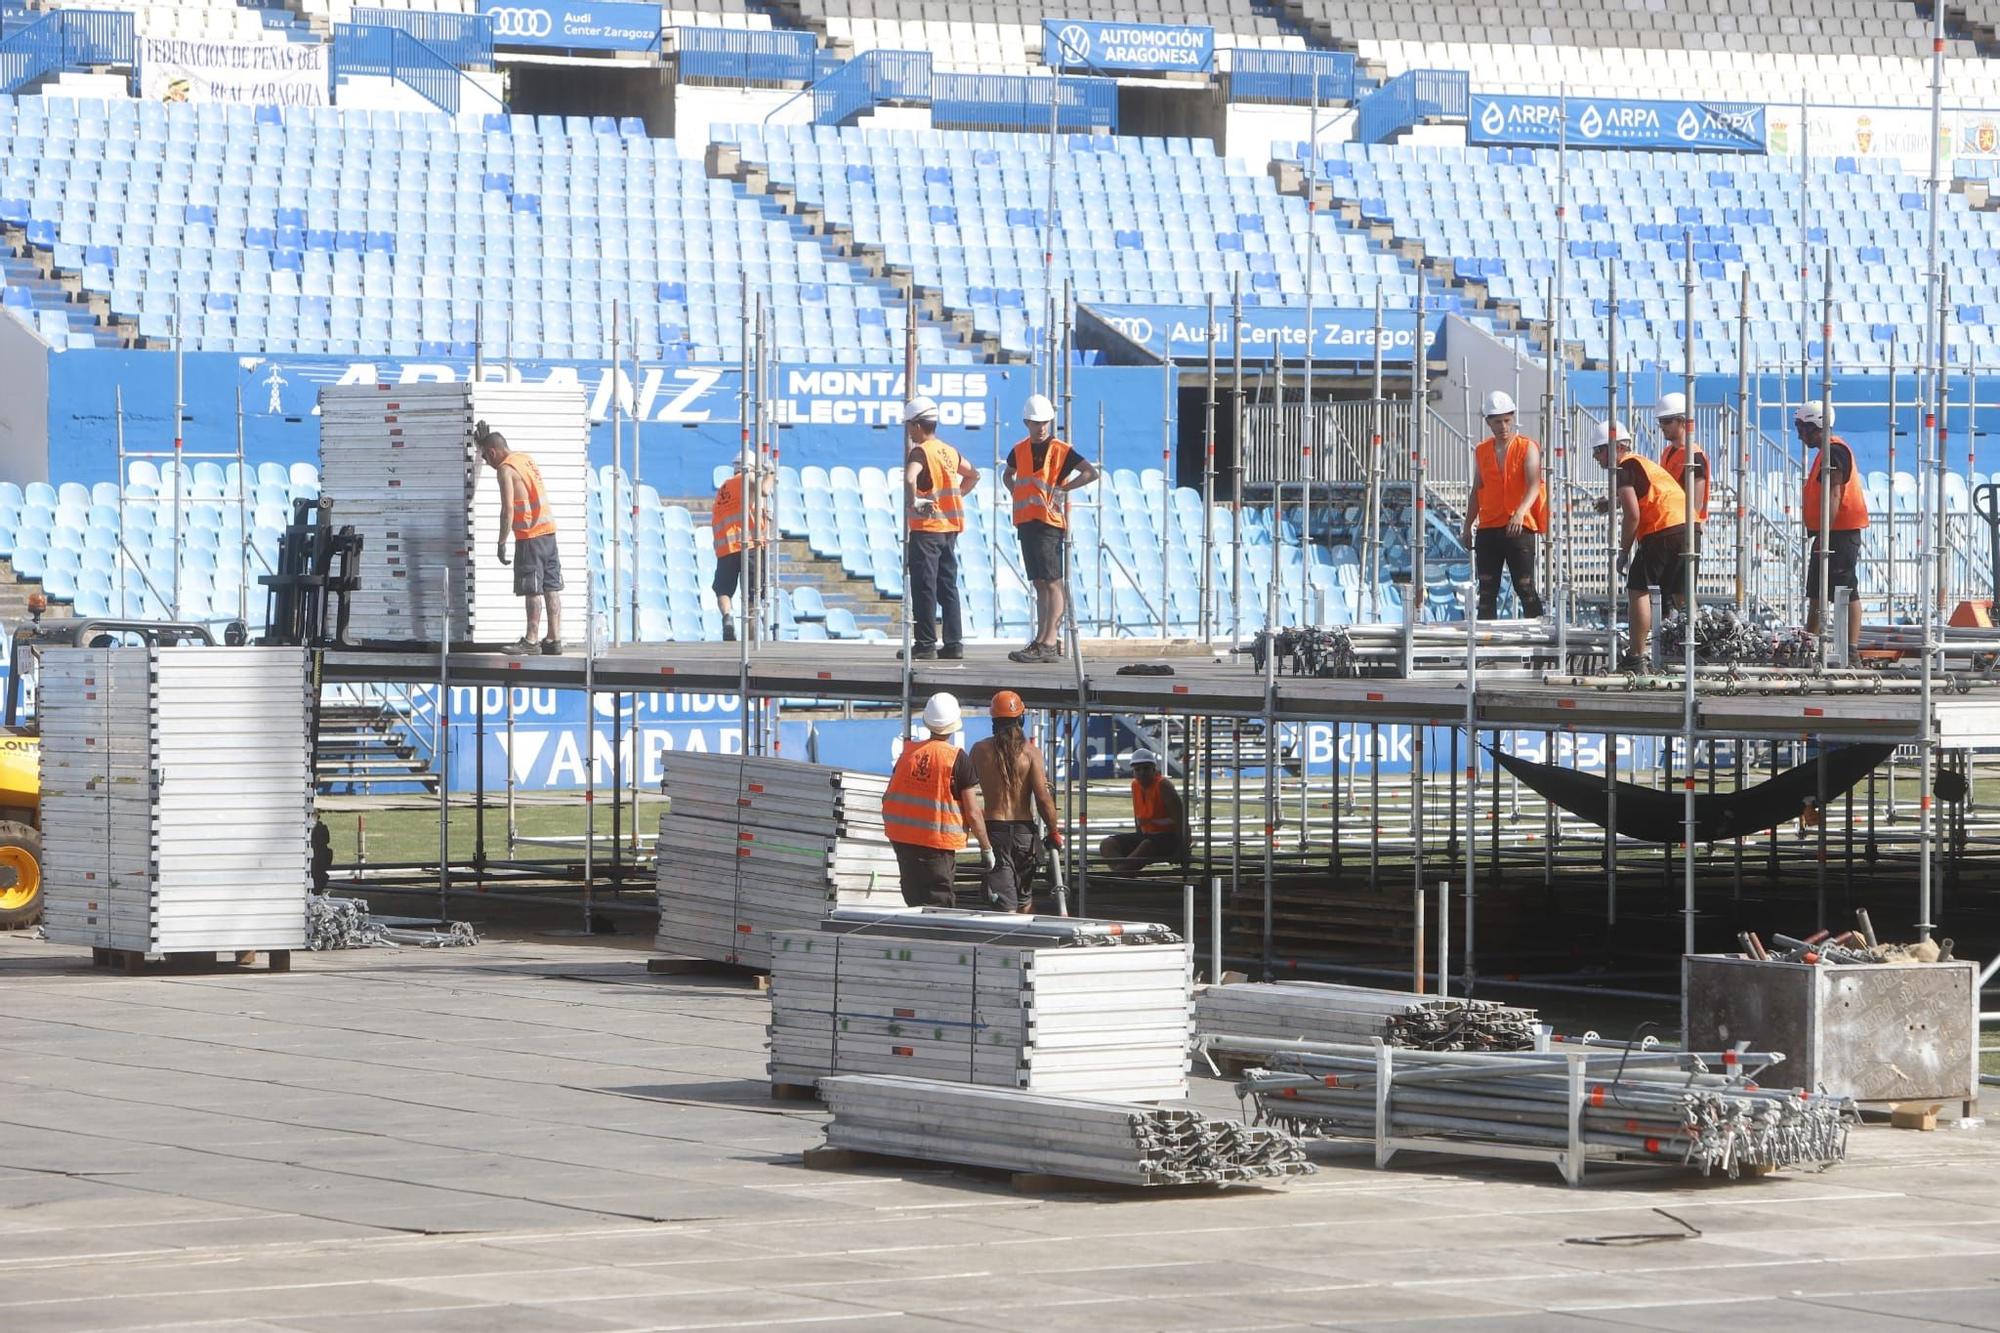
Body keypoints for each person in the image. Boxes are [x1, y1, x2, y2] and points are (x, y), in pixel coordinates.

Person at [1004, 394, 1099, 664]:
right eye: (1036, 422)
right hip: (1026, 521)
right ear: (1026, 422)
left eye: (1045, 422)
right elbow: (1007, 475)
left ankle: (1048, 641)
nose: (1041, 427)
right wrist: (1015, 493)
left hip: (1049, 523)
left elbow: (1091, 473)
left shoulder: (1061, 450)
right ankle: (1041, 639)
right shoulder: (1019, 449)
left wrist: (1063, 489)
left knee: (1052, 582)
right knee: (1039, 582)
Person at [1593, 421, 1688, 673]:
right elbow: (1644, 493)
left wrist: (1624, 552)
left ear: (1615, 448)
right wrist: (1611, 502)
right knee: (1677, 594)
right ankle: (1690, 649)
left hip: (1661, 528)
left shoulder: (1624, 468)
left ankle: (1637, 655)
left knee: (1638, 587)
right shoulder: (1642, 463)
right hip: (1686, 527)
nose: (1595, 457)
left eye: (1598, 451)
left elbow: (1633, 514)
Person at [882, 691, 989, 908]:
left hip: (905, 844)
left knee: (914, 904)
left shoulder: (908, 754)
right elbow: (973, 813)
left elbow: (891, 797)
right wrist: (986, 848)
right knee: (939, 908)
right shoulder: (956, 758)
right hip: (937, 847)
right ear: (954, 724)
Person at [902, 396, 980, 661]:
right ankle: (953, 643)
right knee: (948, 586)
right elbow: (973, 475)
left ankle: (925, 644)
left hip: (927, 529)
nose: (909, 432)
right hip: (950, 529)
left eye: (909, 426)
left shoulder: (920, 451)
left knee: (924, 586)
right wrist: (955, 497)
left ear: (916, 425)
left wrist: (914, 503)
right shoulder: (948, 451)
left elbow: (910, 476)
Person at [969, 689, 1062, 912]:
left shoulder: (980, 751)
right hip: (1024, 833)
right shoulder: (1031, 753)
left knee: (1004, 902)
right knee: (1023, 899)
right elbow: (1042, 798)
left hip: (995, 831)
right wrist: (1053, 830)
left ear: (994, 720)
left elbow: (963, 790)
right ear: (1020, 718)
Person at [476, 422, 563, 655]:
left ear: (493, 452)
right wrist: (480, 444)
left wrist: (502, 541)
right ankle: (554, 639)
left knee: (532, 590)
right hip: (548, 532)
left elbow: (508, 510)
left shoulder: (505, 469)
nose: (485, 462)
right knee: (551, 586)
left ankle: (531, 640)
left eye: (485, 456)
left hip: (529, 536)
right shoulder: (525, 459)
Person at [1460, 390, 1547, 620]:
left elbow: (1534, 485)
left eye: (1507, 420)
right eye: (1497, 421)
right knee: (1487, 592)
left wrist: (1520, 512)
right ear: (1488, 422)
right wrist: (1468, 524)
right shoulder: (1481, 451)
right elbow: (1477, 490)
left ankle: (1538, 642)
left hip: (1519, 526)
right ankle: (1485, 648)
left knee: (1525, 587)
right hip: (1489, 526)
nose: (1503, 426)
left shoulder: (1527, 447)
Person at [1798, 402, 1867, 659]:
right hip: (1828, 532)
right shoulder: (1827, 452)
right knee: (1816, 591)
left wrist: (1825, 534)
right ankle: (1808, 644)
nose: (1799, 434)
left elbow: (1834, 493)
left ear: (1815, 426)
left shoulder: (1835, 452)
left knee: (1844, 588)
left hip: (1839, 532)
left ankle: (1849, 649)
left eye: (1801, 428)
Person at [712, 451, 773, 642]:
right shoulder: (746, 480)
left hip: (726, 548)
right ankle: (753, 639)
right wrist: (770, 473)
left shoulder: (724, 488)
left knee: (723, 590)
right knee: (753, 596)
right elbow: (765, 490)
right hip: (749, 545)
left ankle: (727, 617)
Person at [1097, 749, 1185, 875]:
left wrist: (1181, 849)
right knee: (1107, 844)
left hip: (1169, 837)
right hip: (1147, 836)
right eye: (1138, 769)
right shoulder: (1135, 785)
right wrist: (1138, 836)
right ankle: (1123, 875)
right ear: (1133, 771)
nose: (1142, 773)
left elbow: (1181, 820)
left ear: (1154, 769)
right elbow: (1138, 818)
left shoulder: (1163, 786)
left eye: (1146, 768)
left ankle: (1118, 877)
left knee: (1146, 845)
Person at [1655, 392, 1708, 542]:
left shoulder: (1695, 455)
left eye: (1666, 421)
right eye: (1660, 421)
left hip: (1684, 529)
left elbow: (1696, 504)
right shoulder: (1667, 452)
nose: (1662, 426)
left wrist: (1689, 531)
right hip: (1668, 525)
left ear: (1682, 421)